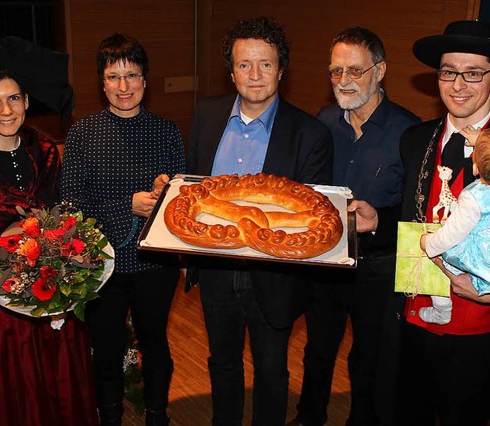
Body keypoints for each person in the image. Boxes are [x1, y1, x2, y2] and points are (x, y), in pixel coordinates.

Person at [349, 20, 490, 425]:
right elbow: (416, 218)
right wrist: (379, 220)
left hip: (484, 334)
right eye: (448, 71)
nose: (458, 84)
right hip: (412, 317)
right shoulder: (414, 139)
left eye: (473, 73)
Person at [187, 16, 333, 426]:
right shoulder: (207, 115)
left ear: (281, 71)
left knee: (272, 370)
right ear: (230, 72)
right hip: (216, 267)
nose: (255, 75)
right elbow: (196, 192)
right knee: (222, 361)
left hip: (274, 275)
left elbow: (311, 218)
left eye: (265, 64)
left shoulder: (309, 134)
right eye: (245, 64)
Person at [0, 68, 99, 426]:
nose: (5, 110)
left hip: (53, 293)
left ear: (25, 101)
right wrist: (6, 270)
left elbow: (67, 219)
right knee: (11, 397)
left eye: (13, 98)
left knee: (61, 388)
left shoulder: (47, 152)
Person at [289, 27, 419, 426]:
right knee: (318, 348)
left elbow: (418, 216)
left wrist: (380, 223)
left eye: (354, 71)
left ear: (380, 71)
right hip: (328, 259)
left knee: (369, 356)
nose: (342, 81)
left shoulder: (409, 133)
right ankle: (309, 416)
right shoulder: (324, 120)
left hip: (378, 268)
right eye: (335, 72)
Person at [60, 33, 185, 426]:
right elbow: (70, 207)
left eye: (132, 76)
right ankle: (109, 416)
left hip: (154, 264)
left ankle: (157, 415)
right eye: (114, 77)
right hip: (101, 265)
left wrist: (168, 193)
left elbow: (183, 206)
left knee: (155, 343)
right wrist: (126, 206)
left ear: (145, 80)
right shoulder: (82, 134)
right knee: (107, 348)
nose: (124, 86)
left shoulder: (167, 131)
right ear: (102, 83)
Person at [419, 125, 490, 340]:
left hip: (486, 256)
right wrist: (481, 141)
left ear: (476, 169)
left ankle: (442, 309)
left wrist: (429, 243)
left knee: (441, 262)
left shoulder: (474, 197)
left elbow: (453, 233)